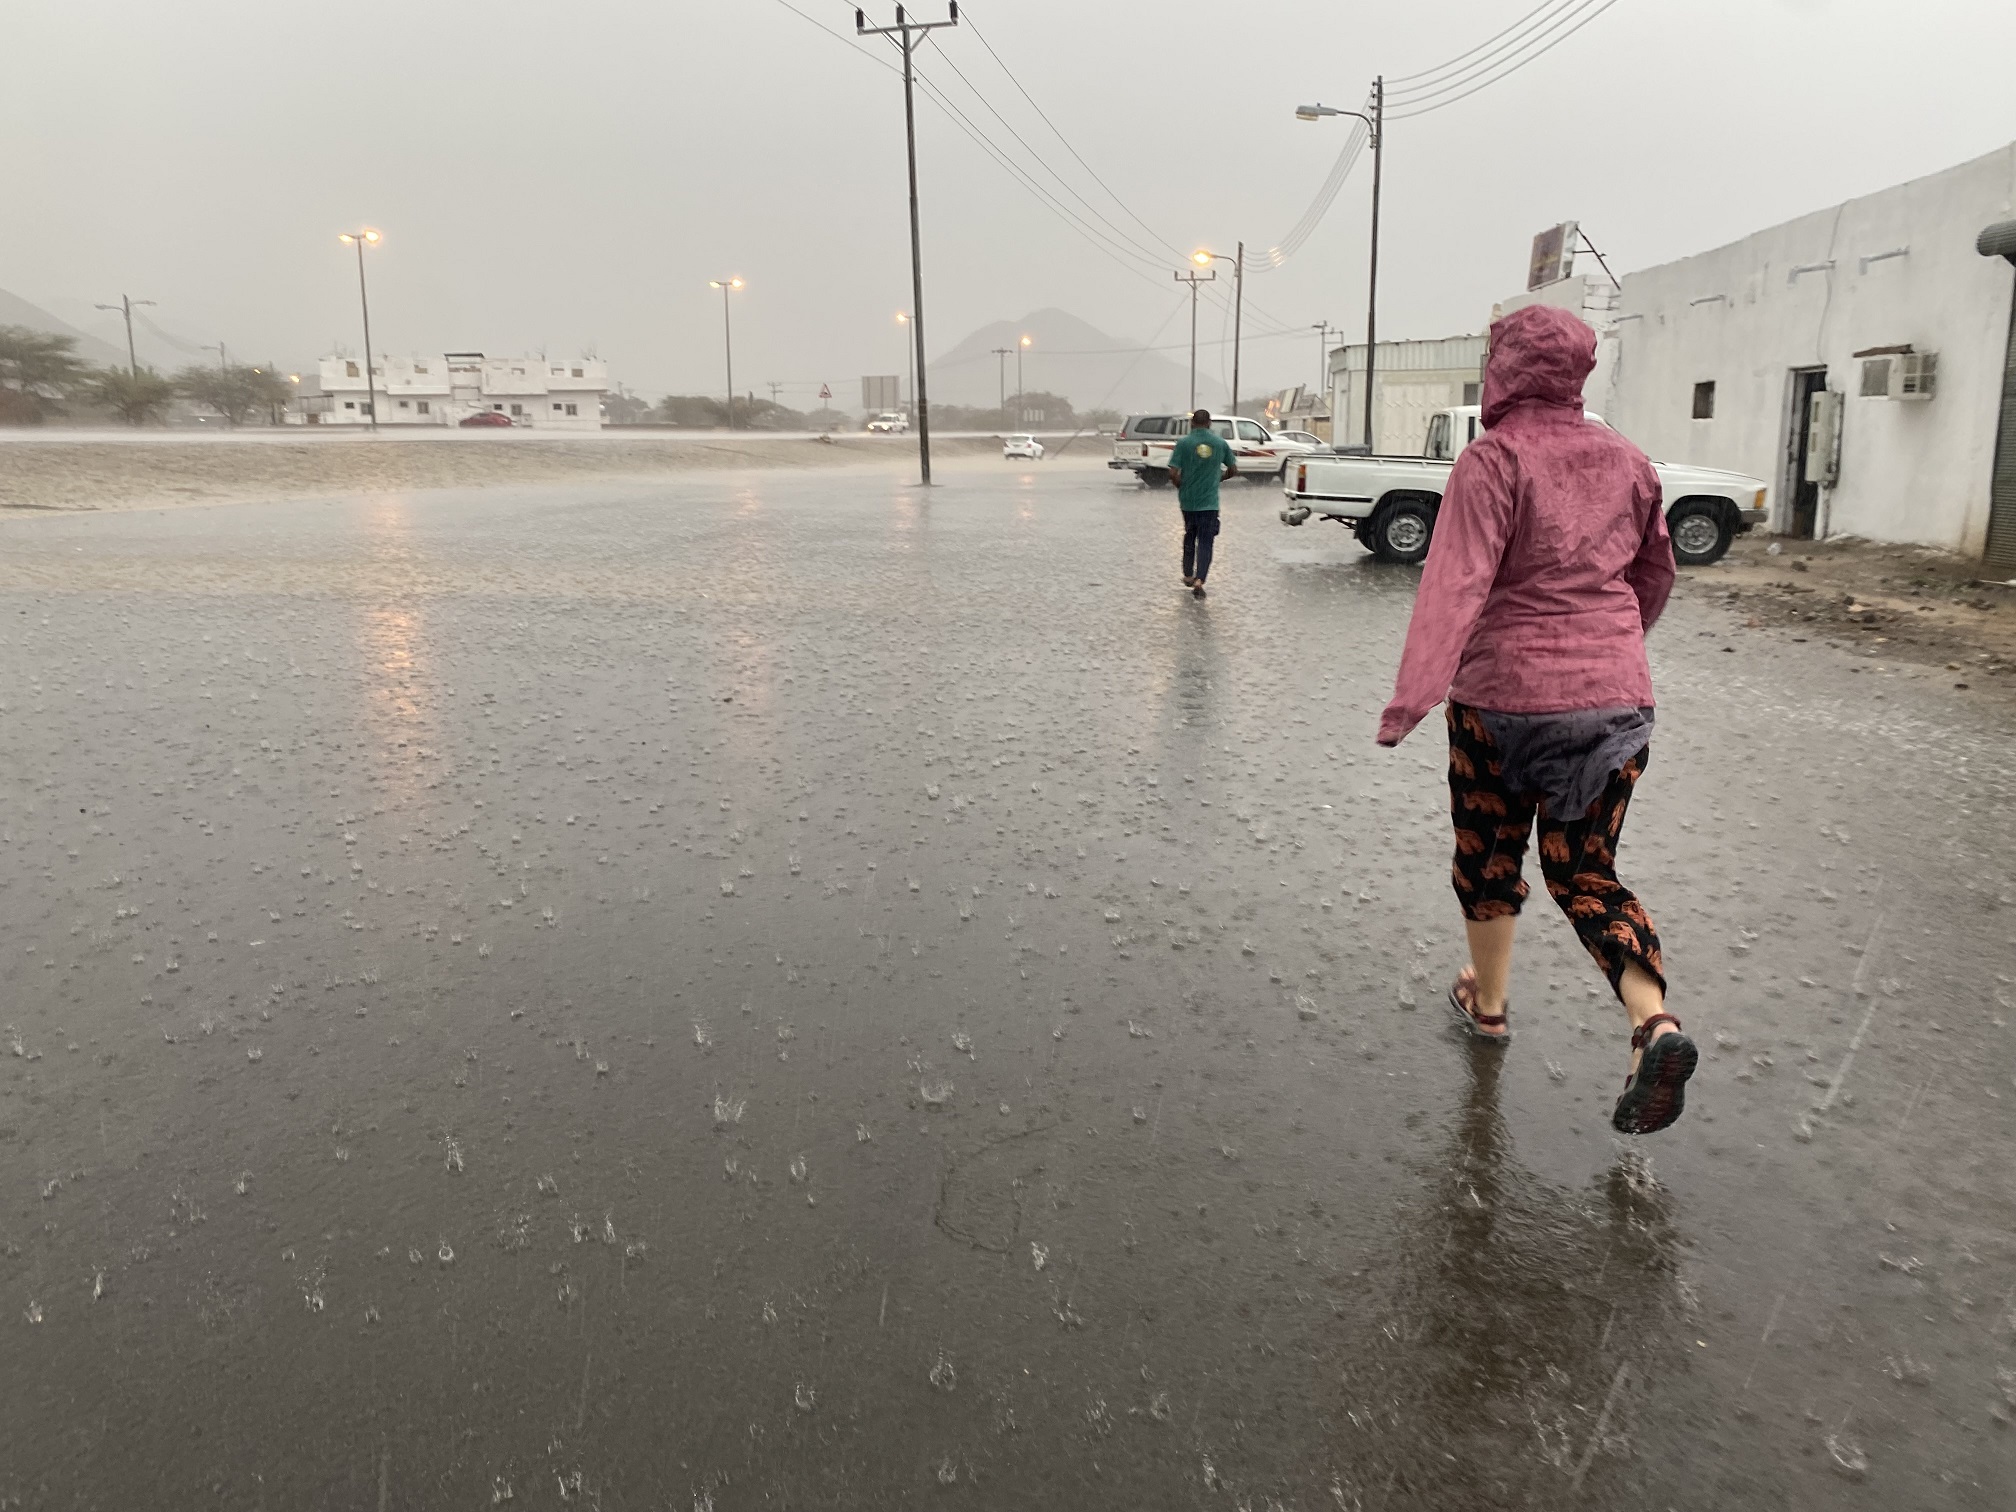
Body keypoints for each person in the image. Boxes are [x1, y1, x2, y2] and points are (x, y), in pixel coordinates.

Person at [1374, 304, 1698, 1136]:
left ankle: (1488, 1007)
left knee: (1489, 860)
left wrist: (1411, 698)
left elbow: (1455, 585)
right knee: (1586, 874)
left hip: (1502, 704)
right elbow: (1653, 575)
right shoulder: (1629, 460)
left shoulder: (1494, 459)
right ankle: (1653, 1023)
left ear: (1508, 367)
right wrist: (1612, 658)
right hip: (1616, 705)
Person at [1167, 408, 1236, 598]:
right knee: (1206, 541)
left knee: (1190, 534)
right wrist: (1218, 479)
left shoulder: (1183, 443)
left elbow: (1172, 472)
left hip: (1188, 502)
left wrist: (1181, 485)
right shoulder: (1220, 443)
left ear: (1192, 424)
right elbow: (1233, 469)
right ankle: (1200, 579)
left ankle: (1188, 574)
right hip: (1210, 503)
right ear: (1210, 423)